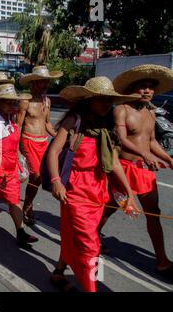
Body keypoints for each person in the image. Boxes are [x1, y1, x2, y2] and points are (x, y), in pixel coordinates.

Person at [46, 76, 140, 292]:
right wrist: (56, 181)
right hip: (75, 191)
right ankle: (91, 287)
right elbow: (53, 152)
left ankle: (59, 272)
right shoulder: (74, 121)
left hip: (98, 191)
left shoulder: (106, 127)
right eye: (101, 99)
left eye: (109, 100)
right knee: (91, 244)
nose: (106, 104)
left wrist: (129, 192)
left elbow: (114, 162)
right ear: (89, 99)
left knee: (72, 234)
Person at [99, 64, 173, 281]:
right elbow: (122, 140)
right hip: (124, 169)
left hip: (144, 170)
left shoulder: (151, 112)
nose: (147, 91)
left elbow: (151, 141)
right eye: (143, 87)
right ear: (132, 89)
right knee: (112, 205)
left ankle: (162, 260)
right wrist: (146, 154)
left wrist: (168, 158)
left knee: (154, 212)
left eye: (151, 87)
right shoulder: (121, 109)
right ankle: (92, 236)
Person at [0, 83, 38, 248]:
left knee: (13, 199)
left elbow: (14, 145)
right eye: (6, 102)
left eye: (13, 102)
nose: (11, 105)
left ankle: (20, 232)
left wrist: (20, 162)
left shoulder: (10, 118)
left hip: (10, 167)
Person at [19, 66, 63, 226]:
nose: (44, 85)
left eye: (46, 82)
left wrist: (60, 137)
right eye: (41, 82)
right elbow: (18, 126)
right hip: (28, 141)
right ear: (33, 82)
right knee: (36, 175)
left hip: (43, 142)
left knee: (37, 178)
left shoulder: (47, 101)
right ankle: (27, 206)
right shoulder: (25, 101)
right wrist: (17, 150)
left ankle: (27, 203)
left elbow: (47, 124)